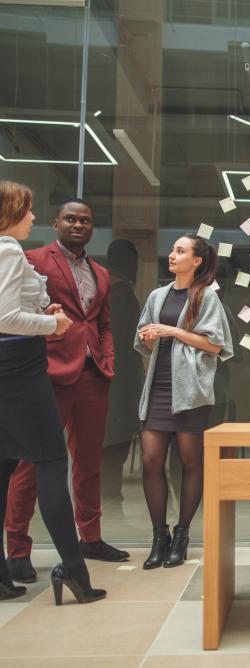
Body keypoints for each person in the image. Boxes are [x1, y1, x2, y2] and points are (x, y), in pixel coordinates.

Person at [6, 198, 127, 585]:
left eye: (86, 220)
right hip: (46, 371)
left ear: (93, 227)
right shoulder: (32, 258)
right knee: (32, 463)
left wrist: (106, 358)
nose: (78, 224)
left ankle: (90, 538)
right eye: (71, 219)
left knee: (89, 461)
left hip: (93, 375)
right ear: (57, 222)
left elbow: (103, 323)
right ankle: (18, 549)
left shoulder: (102, 274)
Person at [135, 234, 233, 570]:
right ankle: (158, 536)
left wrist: (172, 331)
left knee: (191, 463)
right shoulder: (157, 295)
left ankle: (181, 534)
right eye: (173, 250)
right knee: (151, 460)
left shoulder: (206, 297)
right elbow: (145, 343)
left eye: (180, 251)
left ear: (197, 261)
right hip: (159, 386)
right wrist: (150, 338)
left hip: (190, 391)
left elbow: (216, 346)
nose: (172, 255)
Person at [102, 240, 144, 505]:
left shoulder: (107, 289)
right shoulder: (120, 294)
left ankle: (108, 502)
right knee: (113, 447)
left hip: (114, 381)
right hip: (119, 384)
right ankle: (109, 502)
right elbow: (125, 345)